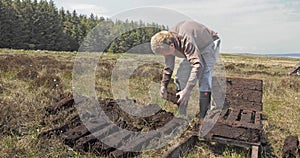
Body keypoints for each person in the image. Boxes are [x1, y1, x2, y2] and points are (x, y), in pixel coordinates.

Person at [150, 20, 220, 118]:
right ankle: (181, 114)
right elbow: (168, 67)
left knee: (204, 77)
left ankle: (204, 115)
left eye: (166, 53)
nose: (166, 56)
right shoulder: (167, 43)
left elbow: (197, 65)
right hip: (193, 48)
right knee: (180, 77)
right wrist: (163, 86)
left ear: (172, 46)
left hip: (207, 44)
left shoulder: (185, 39)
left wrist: (187, 90)